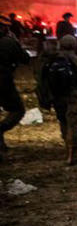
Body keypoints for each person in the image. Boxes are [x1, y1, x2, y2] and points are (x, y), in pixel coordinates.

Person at [39, 35, 77, 165]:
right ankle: (74, 155)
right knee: (74, 125)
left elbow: (42, 80)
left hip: (58, 97)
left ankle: (67, 151)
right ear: (75, 45)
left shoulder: (52, 61)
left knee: (63, 123)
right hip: (74, 97)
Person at [0, 28, 30, 156]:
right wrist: (15, 41)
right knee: (18, 110)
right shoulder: (8, 42)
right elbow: (25, 58)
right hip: (3, 81)